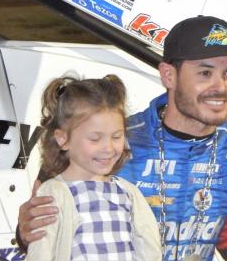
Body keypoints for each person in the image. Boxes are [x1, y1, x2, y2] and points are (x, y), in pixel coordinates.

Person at [17, 16, 227, 261]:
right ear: (168, 75)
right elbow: (42, 225)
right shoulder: (113, 143)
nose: (221, 87)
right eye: (204, 73)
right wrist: (26, 229)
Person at [26, 74, 161, 261]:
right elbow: (40, 253)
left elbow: (149, 248)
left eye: (116, 136)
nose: (108, 148)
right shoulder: (54, 193)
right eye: (95, 139)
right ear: (63, 139)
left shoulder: (128, 192)